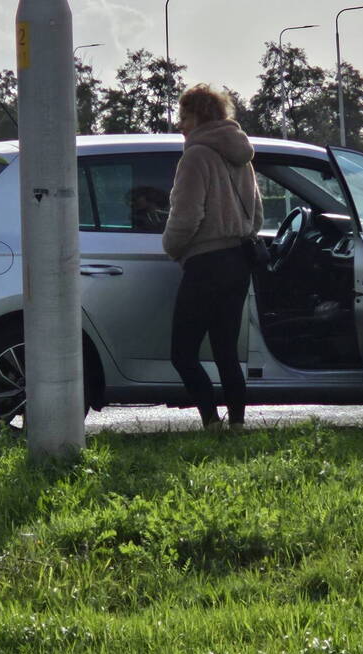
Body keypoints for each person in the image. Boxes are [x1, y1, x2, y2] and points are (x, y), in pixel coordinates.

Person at [162, 83, 263, 431]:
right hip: (239, 262)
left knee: (182, 353)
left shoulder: (195, 156)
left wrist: (171, 247)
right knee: (225, 351)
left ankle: (211, 423)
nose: (181, 125)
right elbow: (258, 217)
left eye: (184, 116)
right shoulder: (242, 157)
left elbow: (186, 216)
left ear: (200, 116)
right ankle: (236, 423)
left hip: (205, 264)